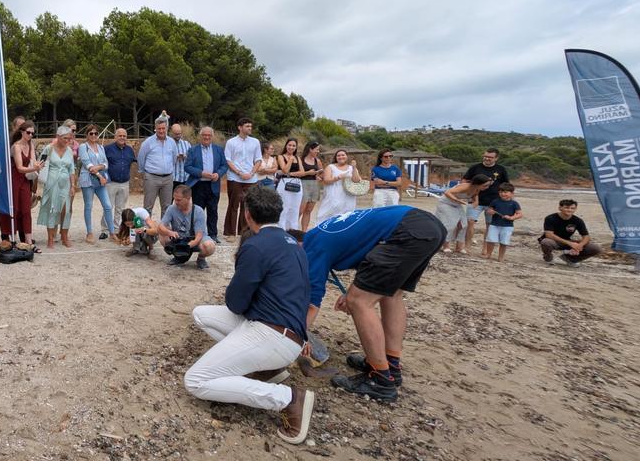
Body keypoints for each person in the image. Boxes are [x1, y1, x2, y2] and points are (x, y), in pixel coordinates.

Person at [182, 186, 315, 446]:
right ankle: (268, 369)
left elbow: (235, 302)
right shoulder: (293, 243)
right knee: (201, 314)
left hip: (272, 334)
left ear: (247, 215)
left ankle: (287, 399)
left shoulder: (255, 246)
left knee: (195, 381)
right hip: (288, 330)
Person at [300, 205, 446, 404]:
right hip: (427, 225)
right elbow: (368, 246)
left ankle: (380, 379)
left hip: (406, 232)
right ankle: (391, 364)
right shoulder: (322, 232)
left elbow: (312, 304)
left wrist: (298, 337)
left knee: (359, 301)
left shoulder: (311, 248)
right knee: (391, 294)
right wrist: (355, 285)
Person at [37, 125, 77, 248]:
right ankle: (50, 238)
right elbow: (40, 164)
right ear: (58, 136)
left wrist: (73, 185)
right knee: (52, 209)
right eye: (65, 138)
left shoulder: (69, 150)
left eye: (69, 139)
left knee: (66, 210)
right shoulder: (48, 149)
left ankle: (64, 236)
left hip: (65, 183)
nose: (67, 141)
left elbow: (71, 169)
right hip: (51, 183)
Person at [158, 185, 216, 269]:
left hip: (194, 239)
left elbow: (199, 235)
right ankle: (178, 257)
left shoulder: (198, 211)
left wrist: (191, 245)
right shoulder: (171, 208)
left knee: (209, 246)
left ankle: (201, 258)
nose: (175, 202)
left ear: (188, 198)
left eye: (179, 200)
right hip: (180, 238)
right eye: (174, 199)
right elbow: (160, 226)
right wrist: (169, 232)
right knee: (162, 234)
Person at [461, 149, 509, 249]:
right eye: (485, 156)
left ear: (496, 158)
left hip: (493, 202)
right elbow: (464, 179)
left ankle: (485, 248)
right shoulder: (475, 167)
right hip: (474, 200)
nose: (487, 158)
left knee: (489, 225)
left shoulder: (501, 169)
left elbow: (506, 185)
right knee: (470, 222)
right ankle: (467, 246)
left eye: (490, 157)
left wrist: (505, 199)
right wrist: (469, 190)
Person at [223, 117, 262, 237]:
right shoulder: (231, 142)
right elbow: (228, 160)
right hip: (235, 178)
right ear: (240, 127)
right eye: (247, 126)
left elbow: (258, 160)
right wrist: (240, 173)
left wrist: (251, 173)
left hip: (251, 178)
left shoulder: (255, 142)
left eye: (251, 126)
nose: (250, 128)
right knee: (233, 205)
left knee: (247, 206)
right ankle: (230, 233)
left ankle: (244, 232)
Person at [186, 125, 225, 241]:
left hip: (213, 185)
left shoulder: (218, 149)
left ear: (212, 136)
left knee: (213, 210)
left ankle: (213, 235)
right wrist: (201, 173)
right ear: (200, 136)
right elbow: (187, 167)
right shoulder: (193, 150)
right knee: (198, 211)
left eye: (209, 135)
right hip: (198, 185)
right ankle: (197, 234)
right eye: (204, 135)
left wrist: (218, 174)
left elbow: (224, 165)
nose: (206, 137)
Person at [435, 174, 491, 253]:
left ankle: (459, 247)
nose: (487, 187)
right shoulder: (465, 186)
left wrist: (476, 202)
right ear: (478, 183)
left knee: (463, 224)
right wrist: (458, 200)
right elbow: (447, 192)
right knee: (451, 224)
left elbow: (475, 195)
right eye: (485, 185)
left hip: (457, 204)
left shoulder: (477, 189)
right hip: (446, 203)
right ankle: (445, 245)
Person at [5, 120, 41, 247]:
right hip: (15, 179)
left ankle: (29, 241)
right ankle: (13, 239)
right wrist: (35, 168)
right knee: (14, 209)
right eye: (28, 132)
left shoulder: (31, 145)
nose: (31, 135)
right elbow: (20, 167)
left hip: (26, 180)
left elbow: (33, 162)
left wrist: (37, 166)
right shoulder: (16, 146)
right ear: (21, 132)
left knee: (26, 210)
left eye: (33, 133)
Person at [77, 125, 112, 244]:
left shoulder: (101, 147)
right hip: (88, 180)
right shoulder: (83, 147)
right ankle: (89, 232)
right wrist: (100, 175)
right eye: (91, 133)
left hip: (99, 181)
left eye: (96, 133)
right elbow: (87, 165)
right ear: (86, 134)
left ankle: (112, 232)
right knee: (88, 206)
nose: (93, 135)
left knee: (107, 206)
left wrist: (99, 166)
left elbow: (106, 163)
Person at [539, 199, 601, 265]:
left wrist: (579, 246)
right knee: (546, 242)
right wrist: (571, 244)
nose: (569, 210)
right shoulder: (550, 218)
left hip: (567, 241)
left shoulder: (578, 220)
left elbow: (586, 237)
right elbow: (549, 235)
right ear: (560, 208)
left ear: (575, 209)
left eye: (572, 208)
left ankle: (569, 259)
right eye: (567, 207)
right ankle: (548, 257)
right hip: (553, 241)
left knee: (595, 248)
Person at [138, 115, 178, 217]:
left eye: (163, 128)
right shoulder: (148, 142)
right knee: (148, 206)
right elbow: (141, 158)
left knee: (167, 207)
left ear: (167, 128)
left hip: (168, 179)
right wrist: (145, 173)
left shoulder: (172, 142)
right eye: (159, 128)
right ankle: (147, 231)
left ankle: (163, 231)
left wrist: (167, 170)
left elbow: (174, 158)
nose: (161, 131)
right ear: (155, 129)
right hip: (151, 178)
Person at [0, 116, 28, 242]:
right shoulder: (7, 140)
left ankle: (22, 233)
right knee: (8, 205)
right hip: (8, 176)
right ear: (13, 127)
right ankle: (6, 233)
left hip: (23, 178)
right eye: (20, 126)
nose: (22, 129)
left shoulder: (27, 141)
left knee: (23, 208)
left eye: (24, 127)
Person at [103, 128, 137, 233]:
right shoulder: (107, 149)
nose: (122, 138)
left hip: (124, 183)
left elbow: (134, 161)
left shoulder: (130, 150)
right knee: (108, 207)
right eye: (120, 135)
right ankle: (104, 229)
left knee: (120, 208)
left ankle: (116, 228)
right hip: (111, 183)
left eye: (124, 136)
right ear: (115, 137)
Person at [314, 149, 361, 224]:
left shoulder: (351, 167)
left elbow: (356, 180)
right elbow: (326, 180)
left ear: (346, 157)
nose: (341, 157)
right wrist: (338, 177)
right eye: (338, 155)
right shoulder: (331, 167)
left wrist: (354, 168)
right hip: (333, 194)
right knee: (326, 215)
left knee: (346, 216)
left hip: (348, 196)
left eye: (343, 155)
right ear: (336, 158)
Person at [483, 182, 522, 262]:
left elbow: (519, 214)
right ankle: (488, 254)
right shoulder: (495, 201)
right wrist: (490, 212)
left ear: (512, 193)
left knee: (504, 242)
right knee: (490, 240)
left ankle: (501, 257)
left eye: (505, 192)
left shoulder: (514, 203)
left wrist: (511, 218)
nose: (503, 194)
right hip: (494, 224)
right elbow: (489, 210)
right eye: (501, 192)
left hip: (507, 226)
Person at [274, 138, 303, 232]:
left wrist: (291, 174)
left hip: (297, 184)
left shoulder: (298, 158)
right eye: (289, 145)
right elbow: (284, 170)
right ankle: (281, 230)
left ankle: (292, 230)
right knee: (284, 207)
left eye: (294, 146)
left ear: (296, 147)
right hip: (284, 184)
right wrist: (290, 160)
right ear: (286, 145)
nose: (291, 147)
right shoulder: (281, 157)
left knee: (294, 209)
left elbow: (302, 172)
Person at [297, 141, 324, 230]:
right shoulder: (300, 159)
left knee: (308, 211)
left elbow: (321, 173)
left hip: (315, 186)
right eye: (317, 149)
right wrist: (308, 173)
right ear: (310, 149)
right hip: (303, 185)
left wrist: (318, 176)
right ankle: (293, 230)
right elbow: (297, 173)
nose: (318, 151)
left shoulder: (317, 160)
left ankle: (304, 232)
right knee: (300, 211)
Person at [170, 123, 192, 189]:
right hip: (172, 178)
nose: (178, 135)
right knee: (169, 199)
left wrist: (186, 156)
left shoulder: (187, 144)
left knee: (184, 199)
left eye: (179, 133)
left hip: (185, 178)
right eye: (176, 134)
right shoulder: (168, 144)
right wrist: (175, 157)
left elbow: (192, 158)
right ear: (171, 133)